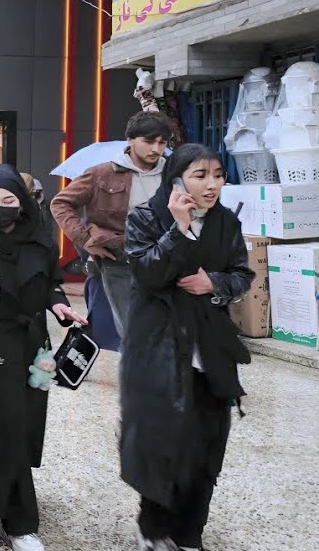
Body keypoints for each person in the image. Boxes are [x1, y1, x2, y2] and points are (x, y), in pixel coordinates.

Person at [123, 144, 252, 551]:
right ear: (176, 179)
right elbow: (148, 274)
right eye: (200, 175)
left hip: (210, 352)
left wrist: (215, 283)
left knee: (208, 448)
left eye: (217, 175)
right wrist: (179, 230)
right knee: (163, 445)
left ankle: (190, 533)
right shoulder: (145, 218)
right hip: (159, 349)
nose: (211, 185)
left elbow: (241, 273)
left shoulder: (226, 223)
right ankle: (155, 530)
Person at [0, 165, 88, 551]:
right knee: (6, 426)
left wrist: (59, 305)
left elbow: (50, 281)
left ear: (22, 204)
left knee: (25, 423)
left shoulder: (40, 239)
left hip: (34, 349)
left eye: (8, 201)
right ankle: (21, 522)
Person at [51, 111, 172, 340]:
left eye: (162, 142)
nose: (156, 149)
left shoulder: (174, 174)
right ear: (130, 140)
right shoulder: (102, 173)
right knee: (133, 330)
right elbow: (60, 204)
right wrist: (84, 240)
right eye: (148, 141)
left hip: (165, 259)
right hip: (119, 259)